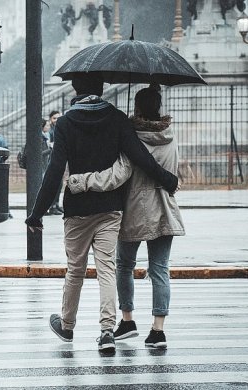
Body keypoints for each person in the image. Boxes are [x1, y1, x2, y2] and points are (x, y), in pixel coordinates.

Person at [25, 74, 179, 353]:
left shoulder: (66, 123)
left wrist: (37, 212)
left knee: (75, 270)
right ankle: (107, 331)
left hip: (77, 209)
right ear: (103, 88)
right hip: (111, 208)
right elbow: (139, 157)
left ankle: (67, 326)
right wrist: (166, 178)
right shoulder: (118, 119)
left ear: (75, 89)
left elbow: (55, 170)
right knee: (107, 269)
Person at [67, 85, 185, 349]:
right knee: (160, 270)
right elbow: (173, 171)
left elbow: (121, 173)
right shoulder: (170, 134)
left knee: (123, 266)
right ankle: (158, 330)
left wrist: (83, 181)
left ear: (138, 107)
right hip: (165, 209)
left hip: (134, 208)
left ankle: (128, 320)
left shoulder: (132, 136)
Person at [46, 110, 64, 216]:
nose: (56, 120)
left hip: (58, 158)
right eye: (54, 118)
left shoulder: (59, 128)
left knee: (59, 183)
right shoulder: (50, 130)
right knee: (55, 183)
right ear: (50, 119)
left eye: (58, 117)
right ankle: (52, 206)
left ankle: (56, 204)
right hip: (52, 159)